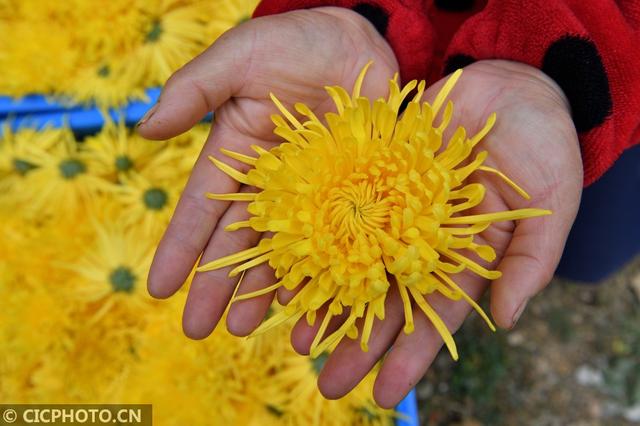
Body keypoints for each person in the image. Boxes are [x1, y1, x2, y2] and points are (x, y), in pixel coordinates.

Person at [136, 0, 640, 408]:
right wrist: (348, 10)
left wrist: (574, 55)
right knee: (555, 242)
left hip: (610, 77)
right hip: (425, 59)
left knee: (586, 245)